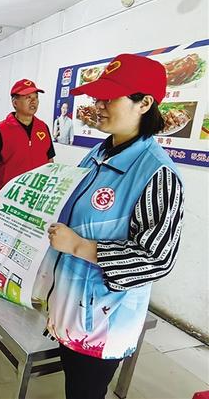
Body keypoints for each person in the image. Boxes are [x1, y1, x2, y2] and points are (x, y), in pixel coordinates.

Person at [44, 54, 184, 399]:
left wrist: (78, 246)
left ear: (144, 104)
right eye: (97, 98)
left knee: (86, 391)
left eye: (109, 98)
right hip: (70, 305)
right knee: (74, 385)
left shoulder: (157, 173)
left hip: (104, 319)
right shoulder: (97, 153)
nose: (98, 106)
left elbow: (157, 259)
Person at [0, 79, 55, 210]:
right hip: (10, 196)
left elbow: (50, 160)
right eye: (28, 97)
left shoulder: (43, 127)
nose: (33, 101)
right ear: (15, 102)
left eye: (36, 97)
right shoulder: (1, 129)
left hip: (37, 196)